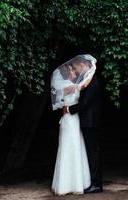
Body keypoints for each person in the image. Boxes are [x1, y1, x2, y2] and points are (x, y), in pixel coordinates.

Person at [50, 54, 99, 195]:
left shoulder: (78, 84)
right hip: (70, 120)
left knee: (79, 149)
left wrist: (92, 68)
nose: (75, 72)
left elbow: (84, 86)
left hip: (76, 120)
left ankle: (82, 182)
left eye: (75, 69)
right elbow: (82, 86)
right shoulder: (67, 86)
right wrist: (92, 68)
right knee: (68, 149)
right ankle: (67, 184)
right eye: (72, 71)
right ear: (66, 74)